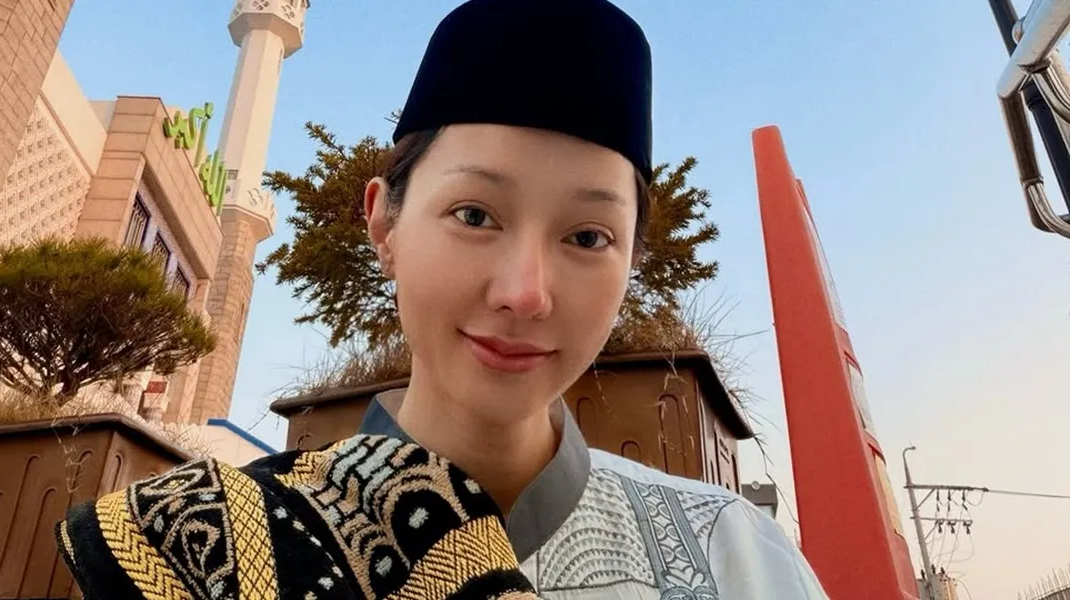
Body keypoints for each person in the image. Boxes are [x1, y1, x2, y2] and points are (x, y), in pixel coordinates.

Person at [55, 0, 830, 598]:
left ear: (631, 261)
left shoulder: (737, 559)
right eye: (474, 215)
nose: (525, 294)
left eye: (588, 237)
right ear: (383, 221)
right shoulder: (203, 543)